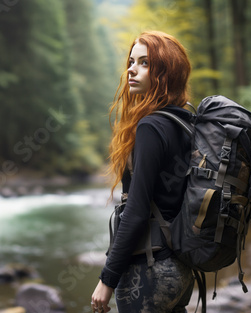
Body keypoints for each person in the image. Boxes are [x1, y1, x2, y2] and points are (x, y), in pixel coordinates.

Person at [91, 31, 195, 313]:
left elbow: (136, 211)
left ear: (166, 71)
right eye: (131, 61)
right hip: (181, 270)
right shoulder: (186, 122)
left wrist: (107, 279)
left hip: (148, 269)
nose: (132, 70)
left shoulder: (150, 126)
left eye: (145, 63)